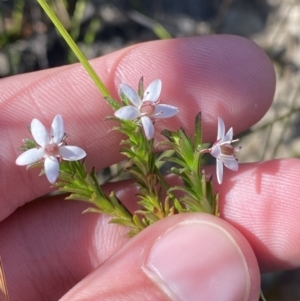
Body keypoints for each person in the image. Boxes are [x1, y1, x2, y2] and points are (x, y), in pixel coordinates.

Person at [0, 34, 297, 301]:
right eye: (50, 147)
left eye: (149, 106)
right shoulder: (62, 154)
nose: (149, 107)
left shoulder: (141, 119)